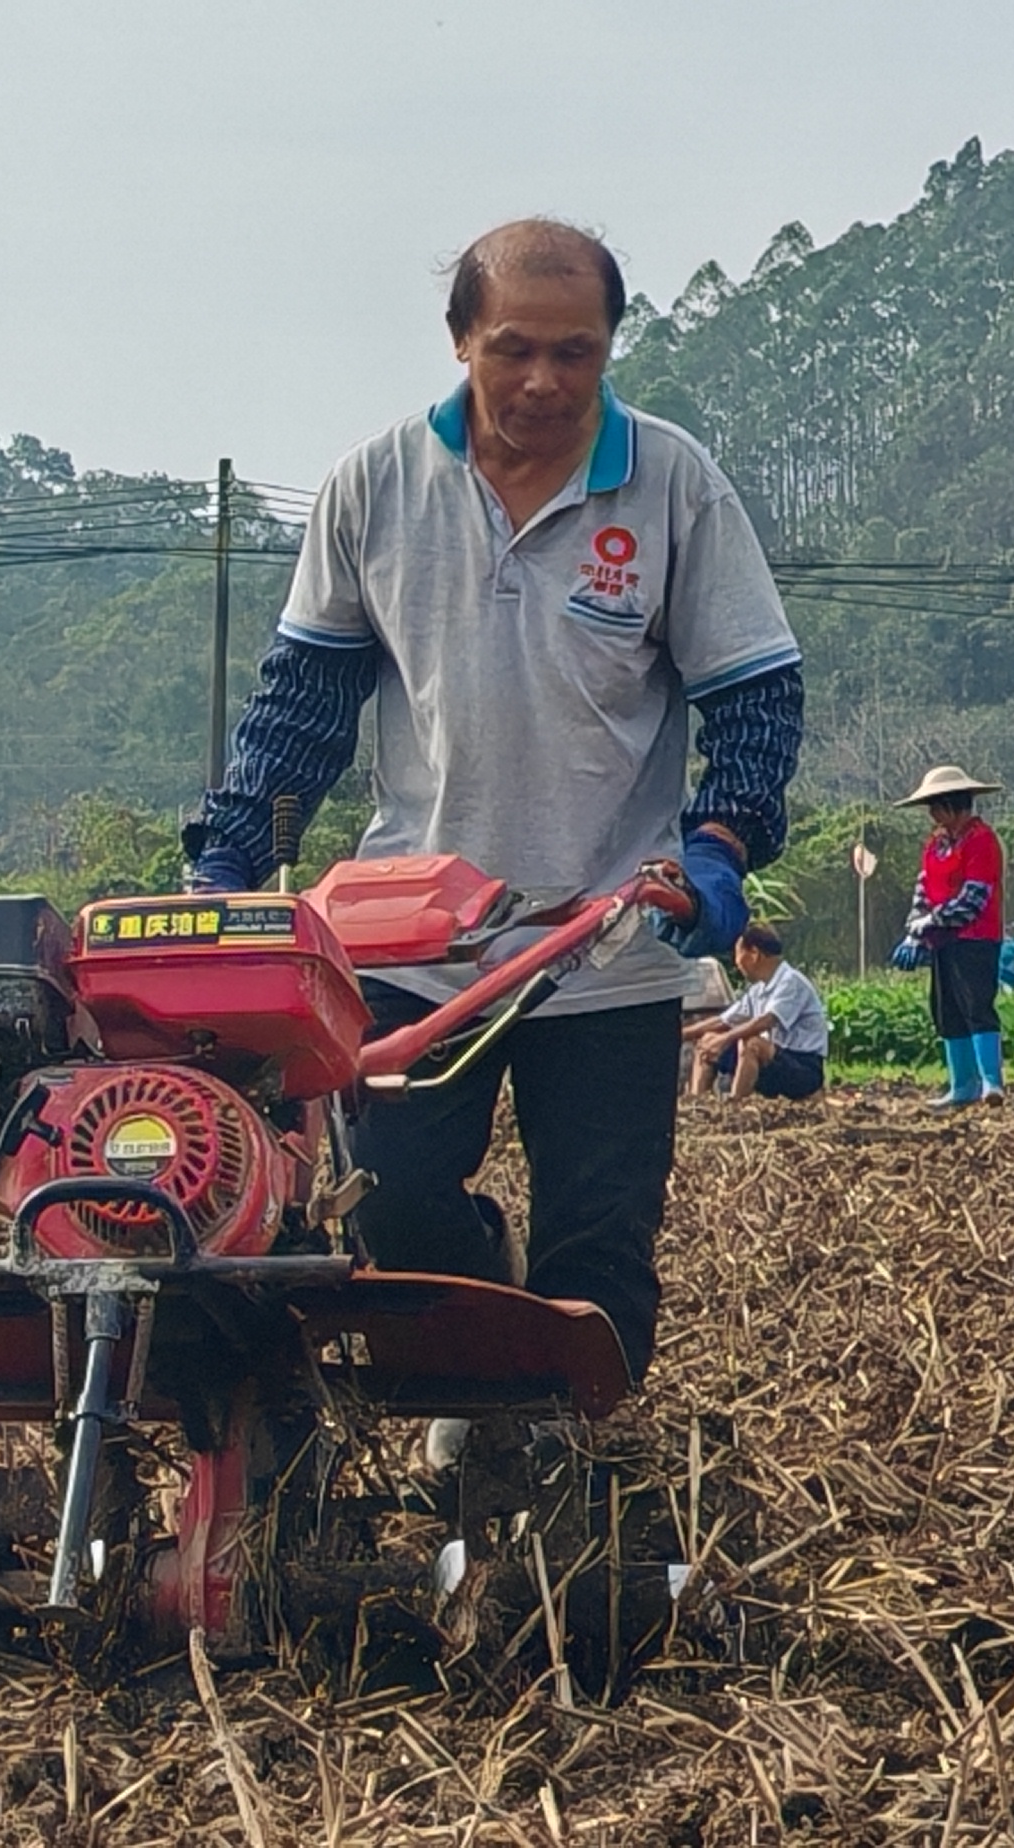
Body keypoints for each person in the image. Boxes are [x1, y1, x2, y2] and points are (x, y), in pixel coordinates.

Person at [184, 218, 804, 1385]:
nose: (543, 381)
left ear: (611, 347)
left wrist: (716, 846)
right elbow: (301, 713)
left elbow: (756, 699)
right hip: (408, 946)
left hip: (608, 939)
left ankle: (576, 1487)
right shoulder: (373, 486)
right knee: (392, 1211)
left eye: (576, 353)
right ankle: (474, 1374)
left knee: (604, 1242)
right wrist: (225, 866)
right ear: (460, 337)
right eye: (512, 348)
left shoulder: (671, 485)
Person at [890, 765, 1005, 1105]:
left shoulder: (982, 841)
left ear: (952, 805)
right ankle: (962, 1086)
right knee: (947, 1010)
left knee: (977, 1005)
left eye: (937, 808)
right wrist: (915, 928)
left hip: (975, 938)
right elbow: (923, 889)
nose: (933, 816)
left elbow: (974, 898)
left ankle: (991, 1082)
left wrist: (931, 922)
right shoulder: (936, 845)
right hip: (943, 940)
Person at [684, 925, 827, 1100]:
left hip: (803, 1068)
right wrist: (680, 1034)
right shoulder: (758, 990)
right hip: (772, 1063)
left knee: (751, 1043)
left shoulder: (791, 982)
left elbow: (766, 1021)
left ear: (754, 953)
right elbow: (724, 1021)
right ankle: (696, 1103)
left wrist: (725, 1038)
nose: (737, 964)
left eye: (738, 955)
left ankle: (735, 1104)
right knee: (707, 1043)